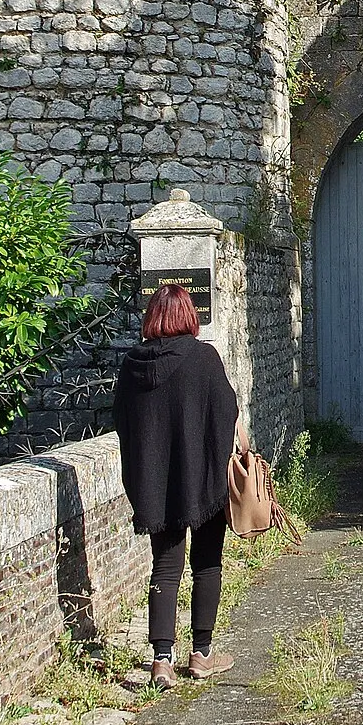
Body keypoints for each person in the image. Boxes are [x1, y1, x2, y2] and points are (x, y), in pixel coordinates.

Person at [112, 281, 244, 688]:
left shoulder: (132, 367)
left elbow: (122, 425)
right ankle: (201, 654)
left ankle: (161, 660)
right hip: (202, 480)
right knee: (206, 563)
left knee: (164, 569)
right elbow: (227, 412)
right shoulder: (203, 358)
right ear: (190, 316)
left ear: (152, 318)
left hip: (156, 485)